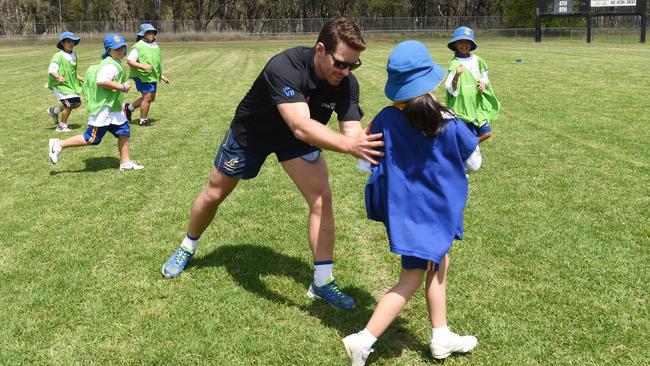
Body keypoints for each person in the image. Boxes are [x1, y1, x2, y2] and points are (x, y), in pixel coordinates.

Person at [160, 18, 383, 310]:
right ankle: (187, 246)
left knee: (321, 197)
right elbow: (301, 125)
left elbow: (350, 130)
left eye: (353, 66)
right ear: (320, 50)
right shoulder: (284, 66)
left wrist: (362, 145)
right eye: (340, 64)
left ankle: (322, 281)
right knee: (215, 193)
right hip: (253, 134)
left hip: (295, 140)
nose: (346, 72)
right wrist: (349, 145)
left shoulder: (345, 84)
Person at [343, 41, 481, 365]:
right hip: (435, 214)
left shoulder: (385, 120)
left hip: (404, 214)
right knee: (411, 277)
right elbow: (474, 162)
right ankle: (363, 341)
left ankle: (441, 335)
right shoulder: (448, 118)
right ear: (429, 79)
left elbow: (364, 164)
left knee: (437, 264)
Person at [48, 33, 144, 171]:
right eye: (117, 48)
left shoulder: (112, 63)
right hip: (103, 108)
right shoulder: (110, 65)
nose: (121, 51)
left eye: (122, 47)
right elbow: (102, 81)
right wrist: (122, 87)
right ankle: (59, 144)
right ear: (109, 51)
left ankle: (125, 162)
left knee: (124, 131)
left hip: (112, 108)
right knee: (92, 138)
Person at [445, 26, 500, 143]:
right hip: (463, 106)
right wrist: (456, 76)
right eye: (461, 41)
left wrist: (484, 83)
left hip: (477, 104)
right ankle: (469, 147)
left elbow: (484, 74)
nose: (464, 45)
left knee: (487, 133)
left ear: (471, 44)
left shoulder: (477, 60)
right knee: (464, 134)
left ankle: (471, 144)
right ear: (455, 44)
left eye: (467, 42)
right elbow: (449, 87)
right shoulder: (454, 63)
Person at [124, 23, 169, 126]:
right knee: (147, 97)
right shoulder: (138, 46)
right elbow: (130, 61)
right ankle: (143, 120)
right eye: (149, 32)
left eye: (153, 32)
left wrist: (160, 75)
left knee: (151, 97)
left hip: (151, 76)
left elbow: (156, 62)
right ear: (142, 34)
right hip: (141, 75)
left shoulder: (155, 46)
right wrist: (143, 66)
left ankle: (129, 108)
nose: (152, 34)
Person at [47, 32, 85, 133]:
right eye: (68, 41)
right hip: (60, 85)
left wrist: (78, 77)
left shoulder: (74, 55)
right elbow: (52, 70)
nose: (71, 44)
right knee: (69, 104)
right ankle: (61, 126)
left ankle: (54, 111)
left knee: (77, 103)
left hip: (70, 84)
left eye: (72, 41)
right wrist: (58, 77)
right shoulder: (58, 56)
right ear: (63, 43)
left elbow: (70, 71)